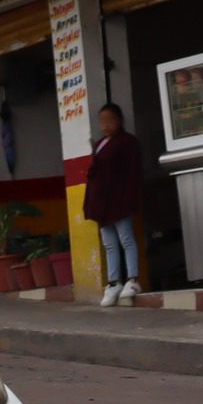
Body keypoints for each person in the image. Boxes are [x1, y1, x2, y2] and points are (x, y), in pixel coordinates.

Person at [82, 102, 142, 307]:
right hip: (101, 202)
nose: (105, 125)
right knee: (109, 243)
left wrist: (130, 197)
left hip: (119, 200)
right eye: (102, 121)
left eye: (110, 120)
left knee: (126, 238)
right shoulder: (100, 144)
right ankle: (113, 282)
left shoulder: (127, 142)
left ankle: (132, 279)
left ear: (119, 121)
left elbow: (132, 172)